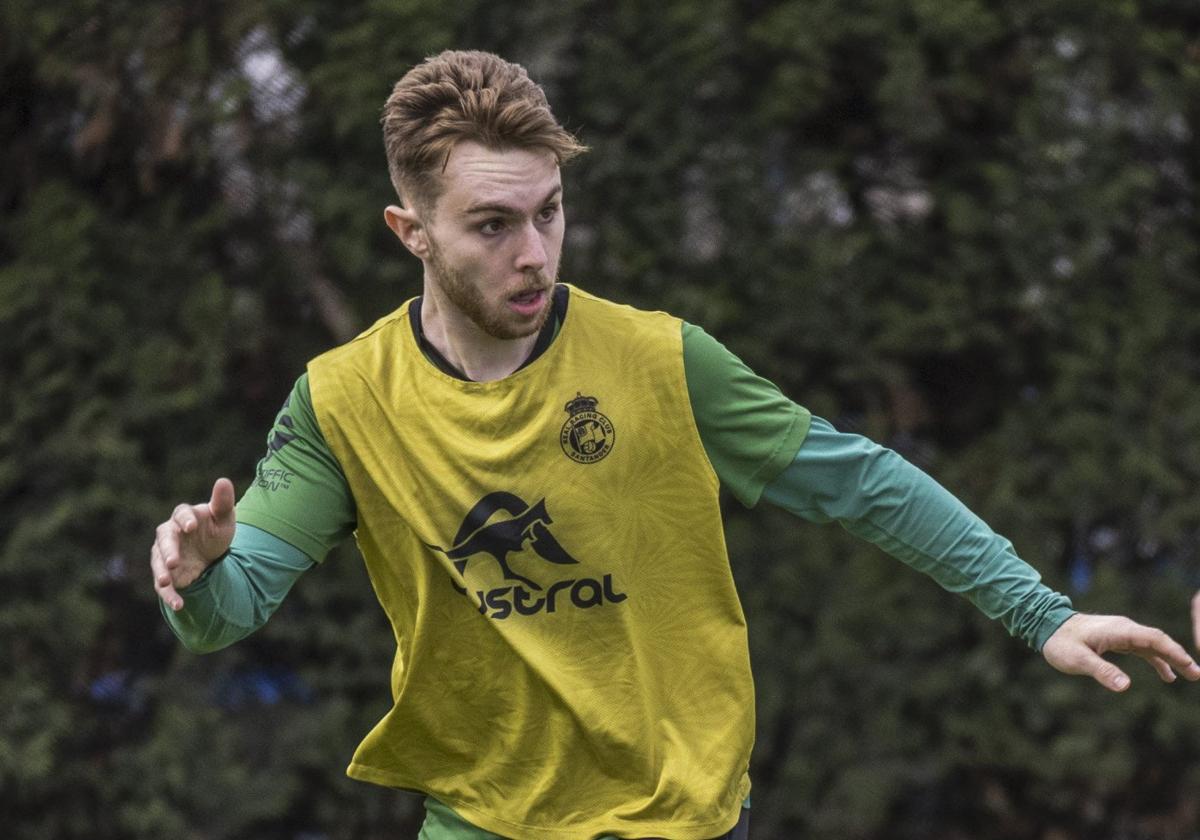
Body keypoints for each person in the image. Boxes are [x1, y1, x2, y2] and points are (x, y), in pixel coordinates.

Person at [150, 50, 1200, 840]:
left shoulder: (660, 361)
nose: (534, 253)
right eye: (492, 225)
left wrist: (1041, 613)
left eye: (550, 212)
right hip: (480, 821)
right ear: (408, 230)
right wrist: (199, 578)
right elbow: (236, 604)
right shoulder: (343, 402)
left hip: (672, 816)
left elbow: (863, 484)